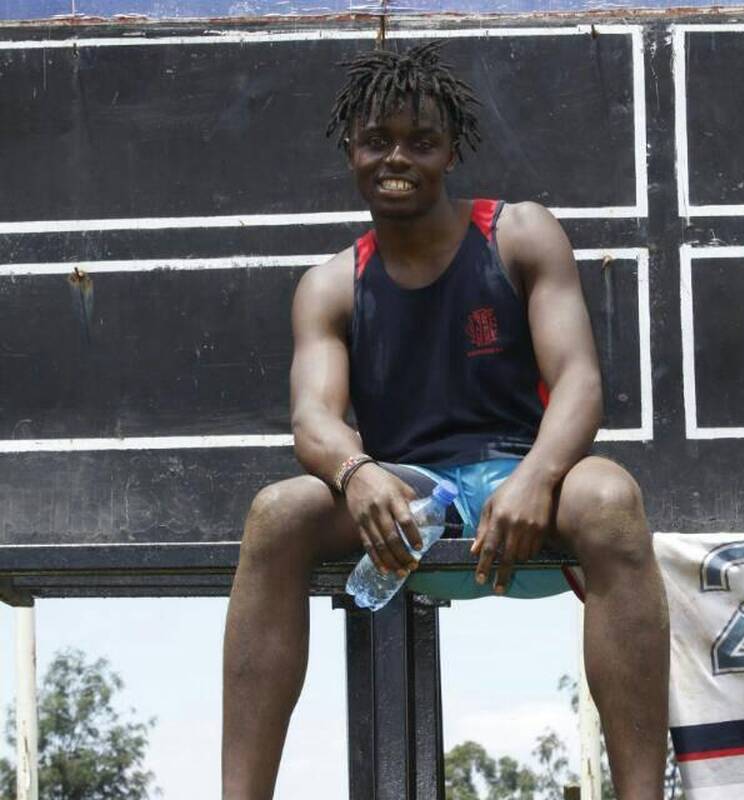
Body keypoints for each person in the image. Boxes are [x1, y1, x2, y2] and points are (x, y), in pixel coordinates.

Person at [222, 41, 669, 800]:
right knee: (276, 514)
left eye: (420, 141)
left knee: (610, 497)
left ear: (451, 152)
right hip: (410, 497)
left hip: (526, 477)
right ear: (351, 152)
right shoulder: (330, 285)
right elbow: (313, 419)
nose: (397, 158)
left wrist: (536, 476)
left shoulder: (519, 233)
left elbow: (580, 383)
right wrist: (356, 472)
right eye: (377, 141)